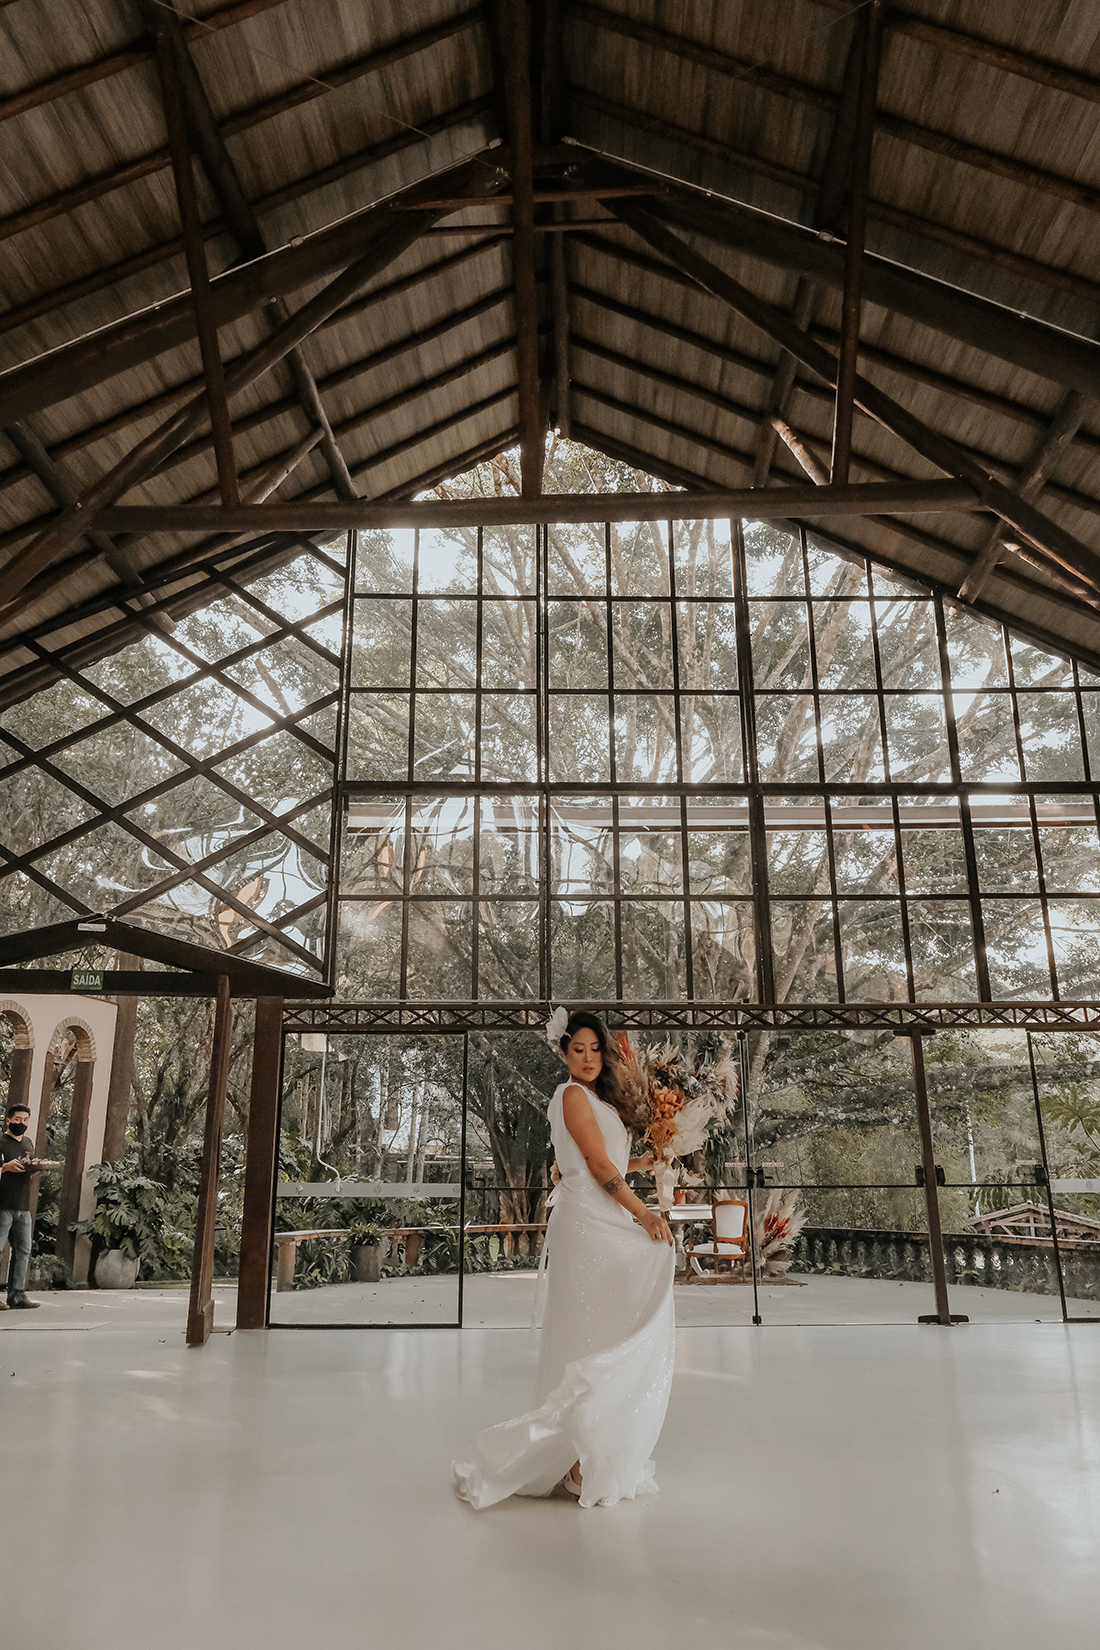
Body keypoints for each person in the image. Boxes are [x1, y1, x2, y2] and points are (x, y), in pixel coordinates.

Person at [453, 1010, 675, 1510]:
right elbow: (595, 1167)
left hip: (600, 1214)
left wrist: (645, 1160)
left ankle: (585, 1454)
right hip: (589, 1222)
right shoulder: (570, 1095)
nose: (590, 1058)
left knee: (606, 1326)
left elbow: (601, 1162)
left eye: (597, 1049)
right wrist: (644, 1214)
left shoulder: (597, 1100)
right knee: (587, 1333)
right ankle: (574, 1459)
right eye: (579, 1049)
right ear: (564, 1052)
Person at [0, 1102, 41, 1311]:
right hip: (2, 1205)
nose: (21, 1123)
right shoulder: (1, 1141)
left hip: (23, 1206)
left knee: (23, 1251)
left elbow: (28, 1167)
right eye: (18, 1120)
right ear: (8, 1120)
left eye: (25, 1120)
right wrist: (5, 1167)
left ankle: (17, 1295)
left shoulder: (27, 1142)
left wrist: (36, 1168)